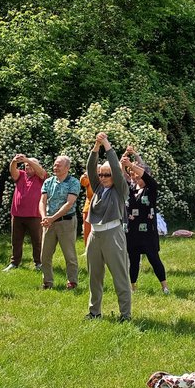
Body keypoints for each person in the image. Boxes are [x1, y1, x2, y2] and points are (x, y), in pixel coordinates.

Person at [84, 133, 132, 320]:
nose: (103, 177)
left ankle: (125, 315)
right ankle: (94, 312)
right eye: (101, 174)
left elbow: (116, 170)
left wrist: (106, 145)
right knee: (94, 277)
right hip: (95, 235)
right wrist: (96, 147)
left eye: (107, 175)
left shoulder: (120, 189)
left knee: (120, 276)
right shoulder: (97, 187)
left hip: (113, 234)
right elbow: (90, 168)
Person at [122, 151, 169, 294]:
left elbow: (147, 177)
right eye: (134, 176)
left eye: (139, 176)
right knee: (133, 260)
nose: (136, 178)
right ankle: (132, 287)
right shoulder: (130, 189)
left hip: (148, 232)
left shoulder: (151, 189)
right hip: (132, 232)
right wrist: (124, 160)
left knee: (154, 259)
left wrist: (131, 165)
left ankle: (164, 286)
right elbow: (121, 174)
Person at [40, 155, 81, 290]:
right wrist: (44, 217)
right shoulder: (48, 182)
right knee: (44, 255)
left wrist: (52, 218)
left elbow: (69, 204)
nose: (55, 167)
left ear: (67, 168)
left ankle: (72, 282)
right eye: (55, 164)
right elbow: (42, 201)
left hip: (66, 222)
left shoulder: (73, 182)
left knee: (69, 255)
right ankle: (47, 282)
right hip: (48, 223)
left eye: (59, 165)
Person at [5, 154, 47, 271]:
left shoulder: (40, 176)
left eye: (29, 165)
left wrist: (27, 160)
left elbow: (42, 172)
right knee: (16, 240)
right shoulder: (21, 175)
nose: (27, 167)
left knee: (37, 240)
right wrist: (14, 161)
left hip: (34, 215)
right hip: (17, 214)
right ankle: (14, 263)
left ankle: (38, 263)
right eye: (26, 166)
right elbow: (13, 171)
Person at [80, 171, 93, 251]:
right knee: (87, 231)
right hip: (88, 207)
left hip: (103, 208)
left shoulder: (106, 177)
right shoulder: (89, 176)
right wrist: (86, 173)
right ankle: (88, 250)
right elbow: (83, 181)